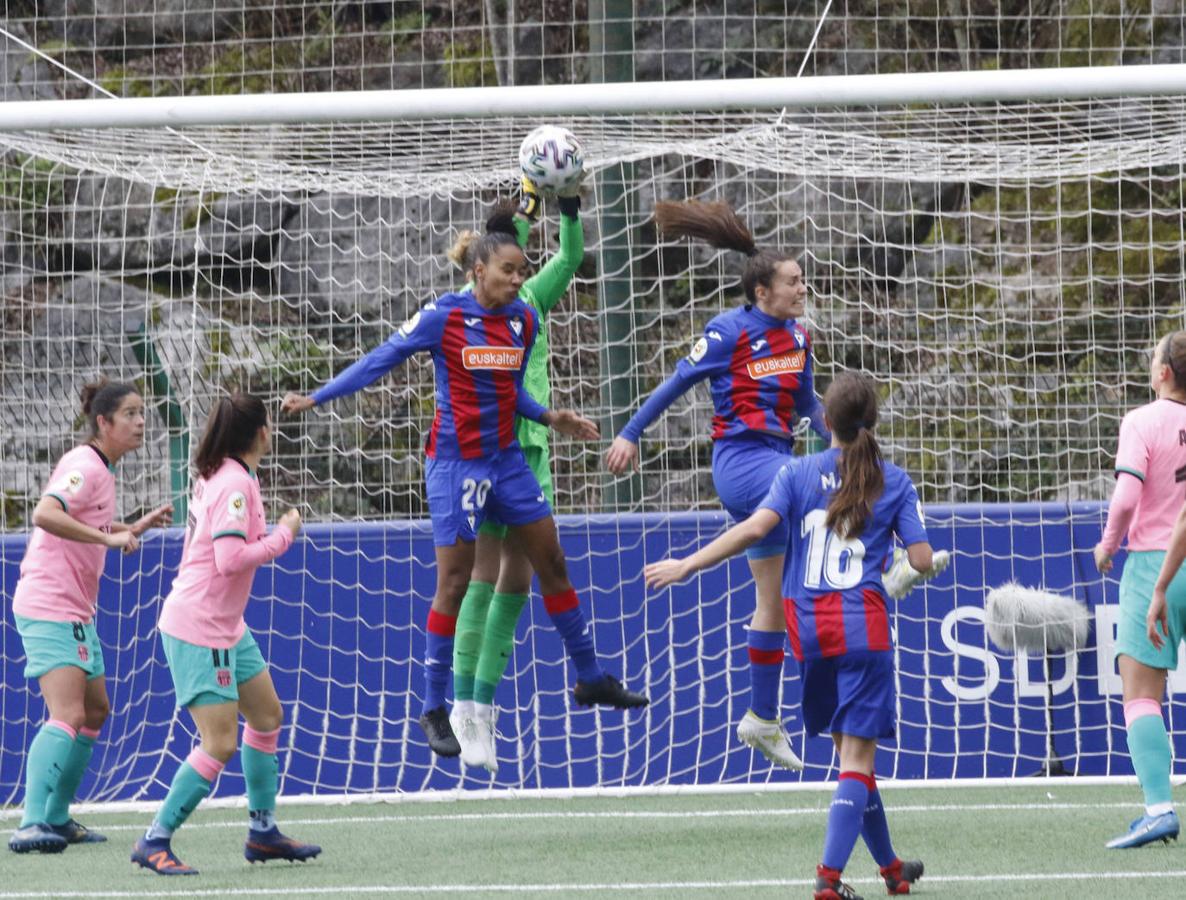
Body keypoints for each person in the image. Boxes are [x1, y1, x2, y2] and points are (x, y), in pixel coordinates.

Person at [281, 224, 648, 760]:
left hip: (508, 461)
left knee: (552, 564)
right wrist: (317, 397)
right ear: (479, 271)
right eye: (508, 270)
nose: (518, 280)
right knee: (454, 582)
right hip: (456, 467)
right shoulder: (444, 316)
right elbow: (381, 358)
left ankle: (591, 677)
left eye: (523, 271)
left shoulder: (523, 319)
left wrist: (550, 417)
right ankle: (434, 707)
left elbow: (512, 391)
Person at [645, 371, 928, 900]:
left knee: (851, 757)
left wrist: (687, 565)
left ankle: (891, 868)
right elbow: (921, 559)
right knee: (858, 761)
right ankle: (827, 878)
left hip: (809, 631)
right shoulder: (893, 480)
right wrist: (908, 567)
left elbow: (753, 529)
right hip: (861, 629)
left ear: (824, 422)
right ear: (874, 423)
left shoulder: (796, 472)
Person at [606, 199, 828, 770]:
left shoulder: (798, 339)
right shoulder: (729, 332)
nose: (802, 289)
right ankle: (895, 557)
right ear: (762, 292)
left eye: (803, 280)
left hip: (778, 460)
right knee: (815, 481)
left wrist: (846, 442)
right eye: (793, 282)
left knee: (772, 597)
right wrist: (630, 433)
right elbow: (676, 383)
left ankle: (762, 717)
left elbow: (808, 404)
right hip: (740, 463)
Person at [131, 394, 318, 875]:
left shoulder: (228, 474)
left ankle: (263, 832)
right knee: (219, 742)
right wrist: (284, 534)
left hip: (227, 626)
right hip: (200, 626)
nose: (272, 430)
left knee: (267, 715)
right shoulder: (234, 482)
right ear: (259, 432)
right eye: (268, 423)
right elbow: (229, 560)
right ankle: (154, 840)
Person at [446, 181, 585, 773]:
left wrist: (568, 203)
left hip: (532, 450)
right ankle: (463, 708)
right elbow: (509, 240)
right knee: (480, 573)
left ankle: (484, 705)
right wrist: (529, 201)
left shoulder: (531, 296)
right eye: (512, 256)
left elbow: (571, 256)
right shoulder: (468, 301)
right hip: (486, 449)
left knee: (519, 582)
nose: (520, 266)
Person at [8, 380, 172, 854]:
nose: (140, 422)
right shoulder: (85, 464)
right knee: (69, 713)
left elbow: (87, 521)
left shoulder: (102, 468)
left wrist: (128, 527)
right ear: (103, 422)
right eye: (130, 414)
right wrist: (108, 539)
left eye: (142, 413)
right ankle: (31, 822)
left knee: (96, 709)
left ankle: (57, 817)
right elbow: (45, 513)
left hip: (75, 608)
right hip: (49, 603)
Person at [1095, 331, 1186, 849]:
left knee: (1142, 696)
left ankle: (1158, 809)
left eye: (1154, 359)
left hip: (1156, 564)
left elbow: (1127, 497)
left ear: (1164, 372)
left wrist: (1107, 545)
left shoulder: (1141, 422)